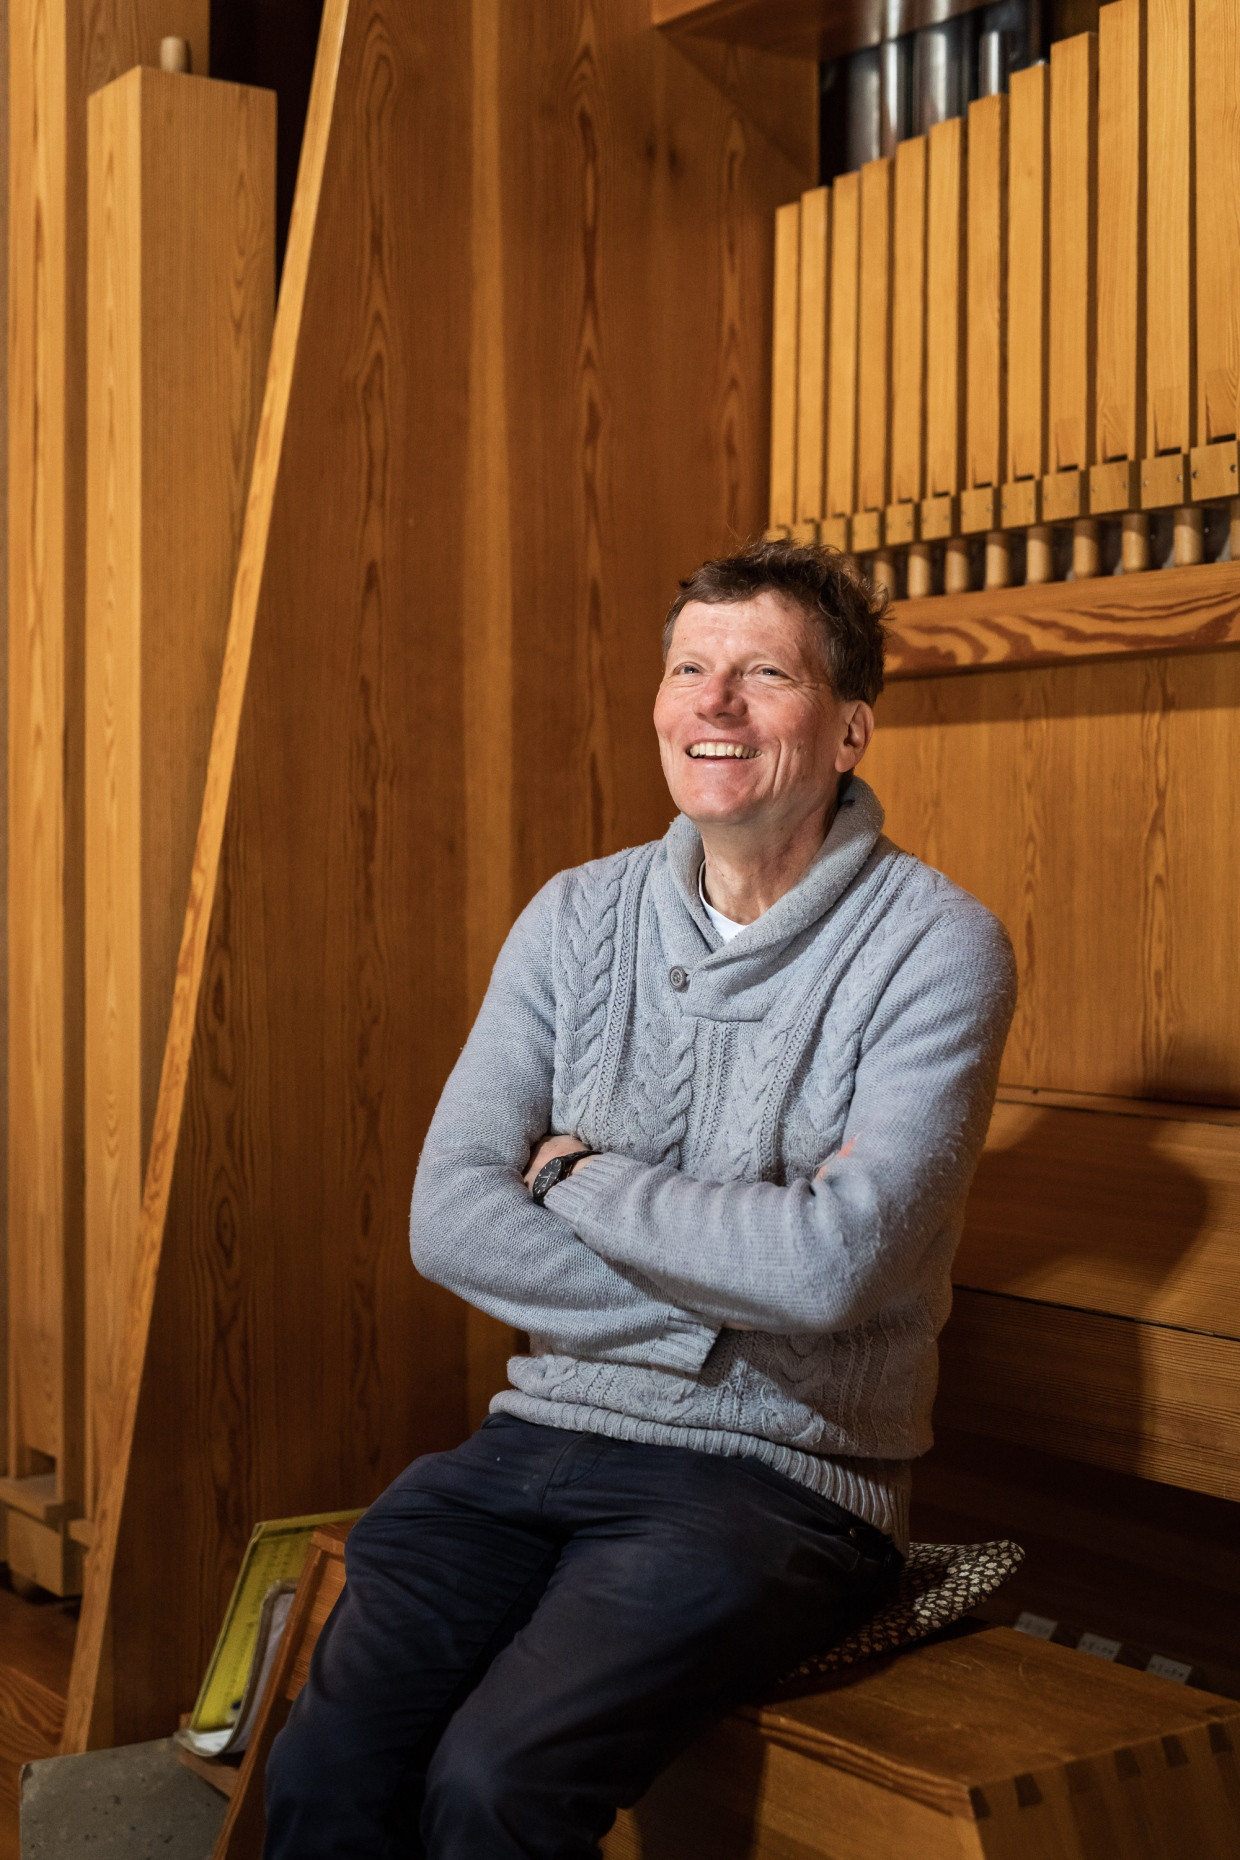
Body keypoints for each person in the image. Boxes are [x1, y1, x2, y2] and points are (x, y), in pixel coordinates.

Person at [264, 538, 1017, 1858]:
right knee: (329, 1761)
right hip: (534, 1440)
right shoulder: (575, 918)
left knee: (496, 1782)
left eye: (762, 675)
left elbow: (834, 1269)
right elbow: (449, 1214)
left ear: (848, 730)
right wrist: (713, 1308)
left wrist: (582, 1177)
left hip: (783, 1480)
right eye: (690, 670)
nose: (711, 706)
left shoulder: (937, 946)